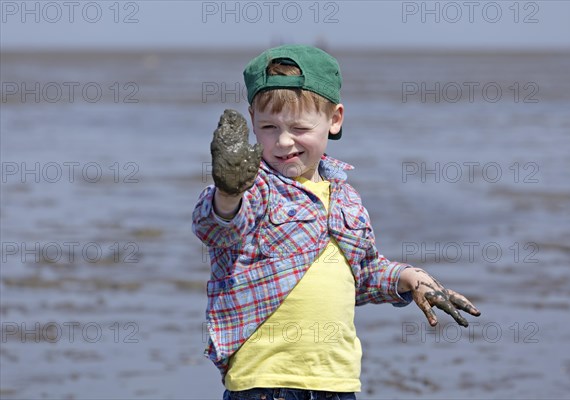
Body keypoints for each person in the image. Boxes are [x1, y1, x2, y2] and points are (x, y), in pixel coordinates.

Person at [192, 44, 481, 400]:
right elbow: (216, 227)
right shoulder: (254, 187)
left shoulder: (346, 198)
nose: (283, 141)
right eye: (268, 127)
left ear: (334, 119)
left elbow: (362, 272)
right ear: (252, 119)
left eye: (299, 127)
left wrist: (409, 278)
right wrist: (228, 191)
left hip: (336, 381)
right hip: (264, 380)